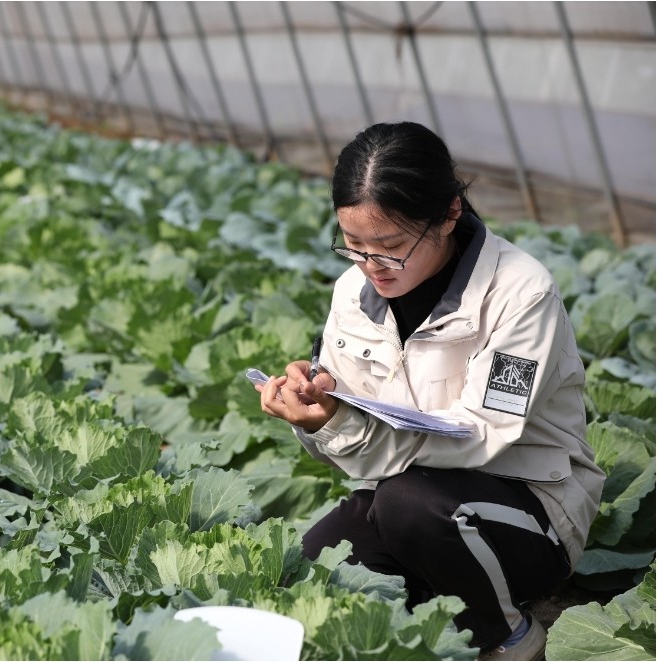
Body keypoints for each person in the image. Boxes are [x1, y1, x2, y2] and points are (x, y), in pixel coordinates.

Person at [255, 121, 604, 661]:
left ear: (448, 215)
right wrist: (316, 410)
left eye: (390, 247)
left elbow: (482, 437)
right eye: (353, 246)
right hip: (407, 495)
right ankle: (435, 604)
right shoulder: (353, 291)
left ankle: (508, 635)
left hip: (532, 510)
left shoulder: (521, 293)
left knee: (410, 506)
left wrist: (340, 426)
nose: (372, 266)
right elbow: (350, 441)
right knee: (318, 559)